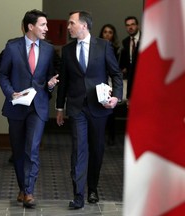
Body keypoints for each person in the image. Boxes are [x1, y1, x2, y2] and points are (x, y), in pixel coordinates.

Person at [56, 10, 123, 209]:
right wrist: (60, 108)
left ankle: (92, 188)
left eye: (71, 23)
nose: (68, 27)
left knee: (97, 149)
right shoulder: (67, 50)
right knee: (78, 150)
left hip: (99, 107)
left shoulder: (103, 46)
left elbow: (116, 74)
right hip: (77, 108)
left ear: (84, 25)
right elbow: (64, 82)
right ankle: (78, 195)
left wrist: (116, 97)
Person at [0, 9, 59, 208]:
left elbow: (50, 75)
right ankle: (22, 188)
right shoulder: (12, 46)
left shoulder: (49, 49)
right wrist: (10, 92)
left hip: (38, 106)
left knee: (32, 149)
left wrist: (51, 83)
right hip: (16, 106)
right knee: (18, 150)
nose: (47, 29)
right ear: (31, 27)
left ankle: (29, 191)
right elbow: (2, 74)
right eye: (43, 25)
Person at [99, 23, 121, 146]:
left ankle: (111, 136)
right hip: (100, 81)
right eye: (105, 32)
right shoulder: (96, 47)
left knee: (112, 110)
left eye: (110, 32)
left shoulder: (117, 49)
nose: (107, 34)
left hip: (112, 81)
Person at [119, 16, 141, 104]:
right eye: (127, 25)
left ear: (138, 26)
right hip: (131, 78)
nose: (130, 27)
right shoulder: (125, 42)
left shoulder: (146, 38)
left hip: (144, 76)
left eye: (132, 24)